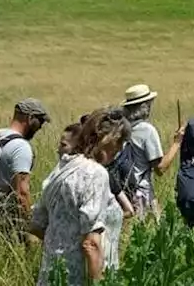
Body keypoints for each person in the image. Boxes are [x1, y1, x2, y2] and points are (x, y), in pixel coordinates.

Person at [31, 107, 132, 286]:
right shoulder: (96, 174)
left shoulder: (62, 168)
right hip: (79, 278)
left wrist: (62, 244)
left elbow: (37, 225)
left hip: (52, 275)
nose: (120, 149)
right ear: (109, 140)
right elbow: (90, 244)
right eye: (120, 142)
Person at [0, 98, 49, 246]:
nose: (40, 127)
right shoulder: (21, 147)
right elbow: (22, 193)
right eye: (40, 121)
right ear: (30, 118)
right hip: (2, 213)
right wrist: (31, 226)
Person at [121, 84, 184, 217]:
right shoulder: (146, 130)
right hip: (141, 194)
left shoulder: (121, 129)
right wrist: (177, 143)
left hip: (122, 195)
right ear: (145, 106)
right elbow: (160, 168)